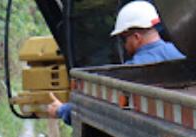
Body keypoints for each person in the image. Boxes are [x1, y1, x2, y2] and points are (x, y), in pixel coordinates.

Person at [47, 1, 185, 125]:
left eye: (124, 39)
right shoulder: (181, 54)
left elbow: (100, 109)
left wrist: (62, 110)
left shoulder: (133, 71)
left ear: (136, 37)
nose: (124, 46)